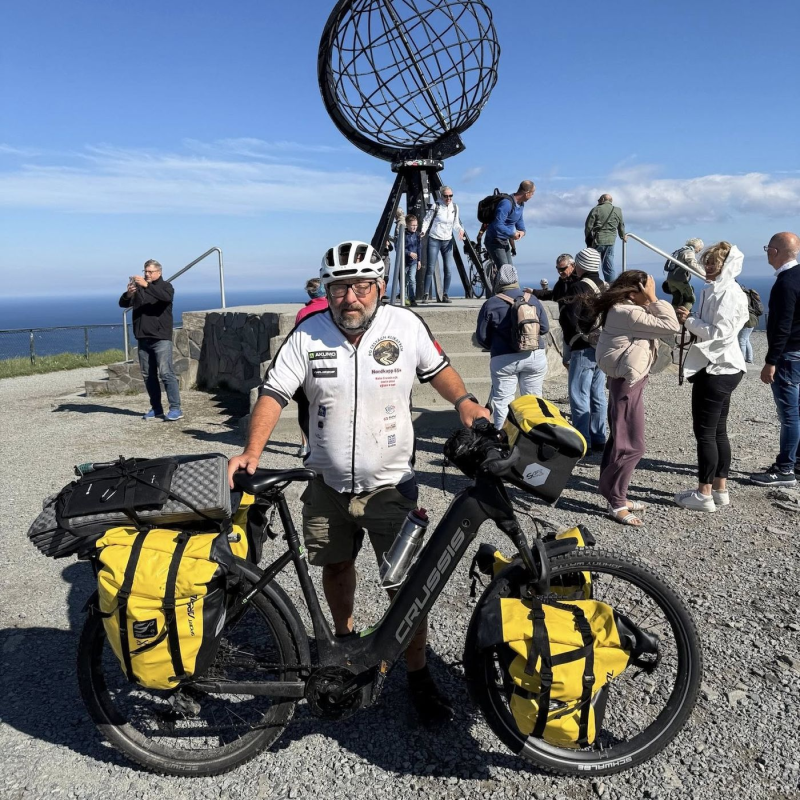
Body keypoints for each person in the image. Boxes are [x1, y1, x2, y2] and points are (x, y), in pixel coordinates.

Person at [227, 240, 490, 726]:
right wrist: (252, 452)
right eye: (340, 287)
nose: (351, 297)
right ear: (327, 290)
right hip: (326, 485)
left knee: (405, 591)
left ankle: (418, 675)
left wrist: (466, 403)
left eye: (361, 286)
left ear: (380, 286)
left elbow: (440, 371)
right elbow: (273, 393)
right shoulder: (309, 334)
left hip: (392, 486)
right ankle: (344, 650)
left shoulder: (405, 326)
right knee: (336, 568)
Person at [594, 272, 680, 526]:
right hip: (627, 383)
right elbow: (670, 326)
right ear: (634, 292)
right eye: (648, 288)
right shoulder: (628, 312)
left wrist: (651, 300)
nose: (651, 292)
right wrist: (654, 299)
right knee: (631, 444)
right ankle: (617, 502)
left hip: (627, 380)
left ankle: (612, 492)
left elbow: (663, 323)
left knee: (619, 439)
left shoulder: (626, 309)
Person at [673, 242, 749, 512]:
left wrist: (689, 321)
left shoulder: (727, 293)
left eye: (713, 264)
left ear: (725, 266)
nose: (707, 267)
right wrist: (692, 318)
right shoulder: (721, 290)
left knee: (705, 434)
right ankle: (720, 490)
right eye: (706, 262)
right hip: (725, 367)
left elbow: (720, 333)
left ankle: (704, 494)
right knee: (717, 431)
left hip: (717, 368)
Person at [750, 231, 800, 487]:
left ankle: (785, 469)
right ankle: (796, 461)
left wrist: (770, 361)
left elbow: (782, 326)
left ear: (774, 252)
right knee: (798, 411)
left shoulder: (785, 282)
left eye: (767, 248)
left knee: (789, 415)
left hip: (789, 355)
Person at [475, 264, 550, 428]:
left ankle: (503, 439)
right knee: (533, 400)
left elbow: (482, 337)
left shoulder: (491, 303)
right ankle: (535, 437)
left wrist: (493, 345)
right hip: (534, 355)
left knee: (503, 402)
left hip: (504, 358)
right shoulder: (532, 299)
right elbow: (544, 328)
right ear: (516, 279)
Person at [119, 259, 182, 421]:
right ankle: (156, 408)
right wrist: (129, 294)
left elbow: (165, 298)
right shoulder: (140, 288)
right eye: (145, 271)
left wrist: (147, 286)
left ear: (158, 273)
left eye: (150, 272)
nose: (146, 274)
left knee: (166, 373)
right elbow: (122, 303)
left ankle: (175, 408)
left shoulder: (166, 287)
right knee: (148, 375)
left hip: (160, 337)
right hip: (143, 337)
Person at [559, 248, 607, 453]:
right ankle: (599, 437)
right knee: (598, 395)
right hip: (602, 346)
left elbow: (568, 318)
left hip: (583, 345)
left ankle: (582, 440)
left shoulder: (578, 287)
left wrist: (571, 342)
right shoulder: (604, 286)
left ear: (581, 265)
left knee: (579, 394)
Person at [420, 186, 464, 303]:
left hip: (448, 241)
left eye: (450, 196)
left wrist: (460, 229)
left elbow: (456, 223)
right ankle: (425, 294)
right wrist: (423, 231)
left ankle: (445, 294)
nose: (448, 198)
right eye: (446, 196)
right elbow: (427, 220)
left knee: (448, 269)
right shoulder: (436, 206)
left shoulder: (455, 207)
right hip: (434, 239)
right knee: (430, 267)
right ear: (441, 195)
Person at [483, 180, 535, 271]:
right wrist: (512, 234)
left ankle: (498, 283)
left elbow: (519, 220)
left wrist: (522, 231)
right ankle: (498, 284)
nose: (532, 196)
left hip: (504, 241)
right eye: (532, 193)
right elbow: (498, 224)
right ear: (527, 193)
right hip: (494, 240)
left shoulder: (521, 204)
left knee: (510, 271)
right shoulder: (506, 203)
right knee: (506, 272)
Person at [584, 194, 626, 282]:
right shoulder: (618, 210)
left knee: (593, 263)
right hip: (611, 241)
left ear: (603, 199)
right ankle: (611, 286)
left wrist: (588, 240)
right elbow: (621, 225)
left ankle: (594, 283)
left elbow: (588, 226)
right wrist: (623, 236)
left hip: (597, 240)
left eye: (598, 199)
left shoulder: (596, 209)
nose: (598, 201)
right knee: (609, 264)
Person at [663, 238, 703, 311]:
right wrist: (705, 275)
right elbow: (692, 264)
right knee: (690, 299)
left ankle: (672, 315)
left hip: (670, 279)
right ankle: (683, 317)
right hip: (680, 280)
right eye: (699, 249)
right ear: (696, 246)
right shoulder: (689, 252)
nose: (698, 252)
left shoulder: (679, 251)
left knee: (677, 298)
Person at [736, 281, 762, 364]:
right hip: (753, 319)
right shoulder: (747, 293)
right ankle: (749, 359)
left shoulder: (741, 295)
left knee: (742, 340)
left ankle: (742, 360)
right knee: (746, 339)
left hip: (748, 320)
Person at [404, 214, 421, 306]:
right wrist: (409, 253)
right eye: (412, 225)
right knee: (405, 280)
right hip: (404, 261)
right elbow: (399, 248)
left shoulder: (417, 235)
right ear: (407, 225)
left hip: (413, 262)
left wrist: (419, 260)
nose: (415, 227)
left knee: (412, 279)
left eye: (416, 225)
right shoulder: (403, 235)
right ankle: (405, 297)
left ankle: (412, 298)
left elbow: (419, 248)